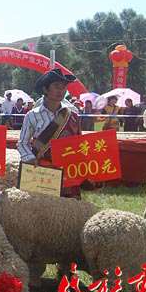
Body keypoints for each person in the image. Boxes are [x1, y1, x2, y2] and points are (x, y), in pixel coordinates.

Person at [17, 69, 99, 199]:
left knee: (69, 208)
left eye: (63, 87)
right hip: (43, 171)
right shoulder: (32, 115)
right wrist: (30, 158)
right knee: (41, 207)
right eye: (56, 86)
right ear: (45, 89)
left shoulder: (72, 116)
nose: (61, 91)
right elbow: (22, 143)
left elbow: (80, 145)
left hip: (68, 172)